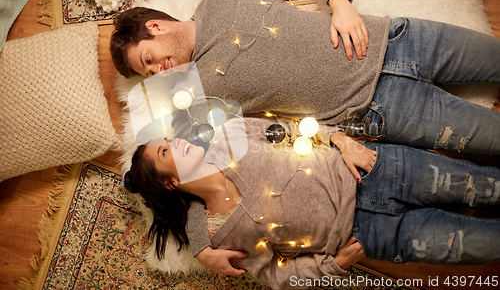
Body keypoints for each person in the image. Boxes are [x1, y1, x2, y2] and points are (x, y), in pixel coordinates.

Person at [110, 0, 500, 156]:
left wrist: (340, 4)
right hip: (379, 109)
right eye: (149, 74)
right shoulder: (199, 95)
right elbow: (184, 165)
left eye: (149, 61)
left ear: (156, 28)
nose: (160, 71)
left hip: (395, 40)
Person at [124, 116, 500, 289]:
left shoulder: (229, 135)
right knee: (477, 244)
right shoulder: (219, 235)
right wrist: (333, 267)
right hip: (370, 234)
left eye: (167, 139)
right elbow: (276, 276)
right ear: (171, 183)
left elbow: (295, 128)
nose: (176, 143)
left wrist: (340, 139)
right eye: (164, 151)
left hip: (373, 171)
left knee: (483, 186)